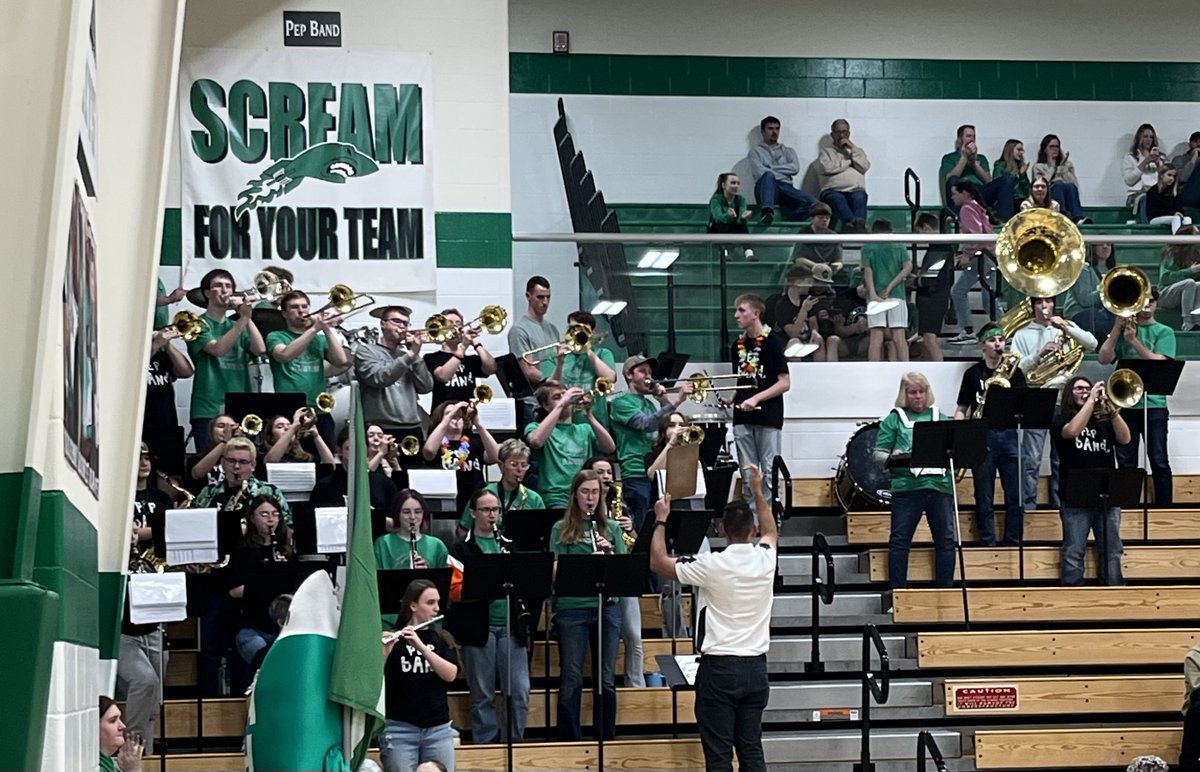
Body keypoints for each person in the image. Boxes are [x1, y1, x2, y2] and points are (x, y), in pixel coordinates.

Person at [649, 464, 777, 772]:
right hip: (756, 668)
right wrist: (758, 490)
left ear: (721, 529)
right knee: (751, 750)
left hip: (720, 668)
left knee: (719, 756)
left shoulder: (711, 564)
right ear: (752, 531)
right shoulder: (765, 557)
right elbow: (772, 531)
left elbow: (658, 561)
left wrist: (661, 519)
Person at [446, 488, 531, 744]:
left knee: (519, 691)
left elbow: (525, 584)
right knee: (482, 694)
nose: (491, 515)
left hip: (510, 626)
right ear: (473, 513)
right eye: (485, 510)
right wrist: (487, 583)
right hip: (478, 630)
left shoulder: (510, 546)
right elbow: (455, 591)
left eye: (495, 510)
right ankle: (487, 747)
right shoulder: (461, 549)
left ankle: (513, 743)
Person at [549, 470, 626, 741]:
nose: (590, 498)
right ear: (575, 495)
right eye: (585, 492)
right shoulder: (561, 528)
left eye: (595, 492)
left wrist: (609, 555)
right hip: (572, 609)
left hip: (606, 607)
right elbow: (553, 569)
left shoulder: (612, 528)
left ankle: (606, 737)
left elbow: (623, 571)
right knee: (572, 677)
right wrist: (583, 565)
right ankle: (569, 739)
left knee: (606, 679)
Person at [1011, 297, 1098, 511]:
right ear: (1032, 307)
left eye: (1048, 302)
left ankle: (1063, 504)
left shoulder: (1066, 328)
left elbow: (1092, 344)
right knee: (1031, 458)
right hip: (1037, 398)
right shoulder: (1022, 334)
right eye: (1039, 303)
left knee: (1063, 458)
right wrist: (1039, 354)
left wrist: (1066, 326)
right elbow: (1016, 368)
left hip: (1065, 399)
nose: (1044, 307)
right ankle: (1028, 506)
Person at [874, 372, 955, 588]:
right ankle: (898, 591)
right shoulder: (894, 419)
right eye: (912, 393)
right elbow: (878, 455)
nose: (918, 397)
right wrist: (896, 458)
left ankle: (946, 590)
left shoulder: (942, 418)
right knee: (900, 541)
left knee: (946, 541)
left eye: (921, 392)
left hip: (941, 487)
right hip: (907, 489)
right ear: (905, 394)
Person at [1098, 288, 1176, 505]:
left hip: (1154, 405)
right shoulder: (1125, 329)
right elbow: (1104, 358)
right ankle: (1127, 507)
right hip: (1125, 408)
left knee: (1159, 459)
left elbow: (1159, 363)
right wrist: (1116, 328)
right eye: (1143, 301)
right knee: (1125, 461)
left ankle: (1165, 510)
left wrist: (1134, 342)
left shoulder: (1164, 331)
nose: (1147, 305)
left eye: (1151, 301)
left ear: (1156, 304)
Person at [1052, 376, 1131, 585]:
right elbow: (1072, 432)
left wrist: (1113, 412)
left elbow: (1125, 439)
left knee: (1112, 550)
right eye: (1079, 389)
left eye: (1087, 388)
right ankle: (1072, 597)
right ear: (1069, 393)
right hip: (1075, 496)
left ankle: (1114, 593)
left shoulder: (1104, 420)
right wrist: (1090, 401)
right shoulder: (1061, 419)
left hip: (1107, 495)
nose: (1084, 392)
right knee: (1074, 550)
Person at [954, 325, 1027, 546]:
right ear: (982, 346)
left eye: (1001, 340)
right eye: (993, 340)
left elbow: (1024, 405)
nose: (998, 344)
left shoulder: (1016, 373)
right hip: (981, 436)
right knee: (983, 494)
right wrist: (960, 433)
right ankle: (988, 541)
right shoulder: (972, 374)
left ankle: (1013, 541)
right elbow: (961, 408)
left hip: (1009, 435)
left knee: (1015, 494)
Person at [118, 445, 170, 745]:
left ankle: (144, 754)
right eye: (138, 457)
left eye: (148, 456)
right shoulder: (118, 498)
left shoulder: (161, 499)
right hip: (125, 624)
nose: (144, 462)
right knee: (146, 681)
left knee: (155, 694)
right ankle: (133, 748)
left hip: (154, 617)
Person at [380, 579, 460, 772]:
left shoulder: (440, 638)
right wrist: (385, 652)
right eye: (430, 603)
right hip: (399, 729)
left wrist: (422, 647)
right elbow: (374, 679)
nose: (436, 608)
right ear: (413, 605)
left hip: (438, 729)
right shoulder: (392, 638)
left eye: (438, 602)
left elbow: (450, 675)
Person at [724, 294, 790, 520]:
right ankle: (752, 522)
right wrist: (733, 397)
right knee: (747, 471)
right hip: (742, 417)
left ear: (756, 313)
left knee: (770, 471)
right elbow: (745, 379)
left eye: (741, 310)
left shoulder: (772, 343)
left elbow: (784, 382)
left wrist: (757, 399)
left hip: (768, 417)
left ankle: (771, 521)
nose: (736, 315)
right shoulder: (738, 346)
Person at [608, 354, 693, 529]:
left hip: (656, 470)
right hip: (636, 471)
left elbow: (667, 425)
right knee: (640, 524)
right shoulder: (621, 402)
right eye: (642, 371)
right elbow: (645, 424)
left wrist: (663, 400)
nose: (649, 376)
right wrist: (677, 401)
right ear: (629, 375)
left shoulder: (649, 404)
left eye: (650, 372)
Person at [186, 269, 267, 451]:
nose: (225, 290)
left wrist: (246, 317)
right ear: (207, 293)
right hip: (208, 407)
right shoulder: (196, 324)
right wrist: (243, 319)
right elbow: (217, 349)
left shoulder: (237, 324)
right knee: (209, 464)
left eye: (228, 286)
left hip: (239, 406)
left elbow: (260, 349)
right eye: (218, 286)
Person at [583, 455, 644, 688]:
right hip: (596, 576)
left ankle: (636, 684)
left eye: (609, 472)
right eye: (600, 472)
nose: (606, 477)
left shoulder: (622, 504)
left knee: (634, 635)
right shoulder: (584, 509)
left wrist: (631, 529)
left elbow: (636, 543)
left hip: (622, 572)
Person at [266, 290, 348, 448]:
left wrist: (326, 329)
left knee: (326, 462)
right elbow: (284, 355)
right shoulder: (276, 336)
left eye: (304, 306)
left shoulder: (319, 339)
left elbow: (341, 361)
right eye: (294, 307)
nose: (301, 311)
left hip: (319, 410)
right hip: (289, 410)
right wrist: (313, 329)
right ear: (284, 313)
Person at [524, 380, 616, 507]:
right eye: (557, 397)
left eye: (565, 394)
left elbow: (610, 447)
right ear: (545, 405)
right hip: (556, 498)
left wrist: (589, 414)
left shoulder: (585, 429)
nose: (565, 399)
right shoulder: (535, 427)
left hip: (585, 496)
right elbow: (536, 441)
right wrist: (562, 404)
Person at [226, 495, 293, 668]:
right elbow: (234, 590)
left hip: (285, 627)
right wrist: (266, 584)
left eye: (275, 514)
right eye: (263, 514)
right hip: (254, 626)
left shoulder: (285, 547)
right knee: (269, 662)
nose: (271, 519)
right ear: (252, 518)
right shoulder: (243, 549)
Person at [354, 305, 434, 443]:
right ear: (382, 324)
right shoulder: (366, 351)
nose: (402, 326)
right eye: (396, 321)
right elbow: (379, 379)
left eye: (405, 323)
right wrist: (410, 355)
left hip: (412, 427)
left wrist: (416, 356)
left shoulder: (408, 355)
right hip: (379, 429)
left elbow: (426, 387)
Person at [311, 427, 398, 541]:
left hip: (375, 544)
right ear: (339, 450)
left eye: (359, 448)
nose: (355, 454)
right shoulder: (325, 486)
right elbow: (314, 524)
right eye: (349, 449)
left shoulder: (383, 483)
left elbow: (399, 525)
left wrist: (374, 517)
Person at [455, 438, 545, 538]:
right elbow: (462, 531)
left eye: (524, 465)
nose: (519, 470)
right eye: (513, 464)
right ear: (501, 466)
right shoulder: (483, 495)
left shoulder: (535, 499)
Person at [540, 310, 617, 426]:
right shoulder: (554, 354)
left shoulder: (603, 353)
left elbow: (610, 379)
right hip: (562, 423)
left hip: (595, 423)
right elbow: (549, 388)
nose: (575, 333)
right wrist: (560, 363)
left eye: (582, 330)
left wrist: (588, 350)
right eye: (571, 328)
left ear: (592, 332)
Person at [422, 400, 499, 513]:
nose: (456, 420)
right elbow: (428, 451)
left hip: (475, 505)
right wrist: (450, 415)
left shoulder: (475, 442)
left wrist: (478, 424)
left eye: (460, 416)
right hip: (447, 504)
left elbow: (496, 456)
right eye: (452, 416)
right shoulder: (436, 444)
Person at [948, 180, 997, 343]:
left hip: (982, 256)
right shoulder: (977, 208)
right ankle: (1004, 329)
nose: (952, 197)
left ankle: (968, 330)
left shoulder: (967, 209)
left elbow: (976, 235)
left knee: (958, 291)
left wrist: (967, 255)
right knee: (987, 297)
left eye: (955, 193)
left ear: (965, 194)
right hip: (987, 255)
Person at [508, 276, 560, 427]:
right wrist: (557, 382)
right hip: (532, 404)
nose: (545, 302)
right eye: (540, 297)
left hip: (551, 400)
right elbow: (528, 371)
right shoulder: (519, 329)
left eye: (548, 297)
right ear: (528, 296)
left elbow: (557, 362)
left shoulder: (552, 329)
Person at [423, 307, 498, 407]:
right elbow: (443, 376)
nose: (455, 327)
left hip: (467, 415)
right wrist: (463, 347)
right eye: (450, 323)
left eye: (458, 324)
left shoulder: (471, 360)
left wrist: (476, 343)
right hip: (442, 415)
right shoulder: (431, 358)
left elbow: (492, 368)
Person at [747, 115, 814, 224]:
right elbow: (760, 173)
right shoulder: (755, 152)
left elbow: (795, 168)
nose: (774, 132)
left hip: (786, 188)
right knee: (768, 176)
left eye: (777, 128)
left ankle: (789, 221)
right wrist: (782, 173)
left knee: (814, 204)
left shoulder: (788, 151)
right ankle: (767, 212)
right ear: (763, 132)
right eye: (770, 129)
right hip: (766, 189)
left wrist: (771, 167)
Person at [940, 124, 1015, 220]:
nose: (972, 139)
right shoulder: (949, 158)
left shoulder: (981, 158)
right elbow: (950, 178)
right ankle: (958, 220)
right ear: (959, 140)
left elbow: (988, 180)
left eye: (973, 136)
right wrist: (964, 157)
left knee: (1007, 180)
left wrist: (974, 162)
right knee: (953, 181)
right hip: (962, 192)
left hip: (980, 193)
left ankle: (1005, 220)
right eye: (968, 136)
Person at [861, 219, 912, 362]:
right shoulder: (899, 246)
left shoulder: (867, 247)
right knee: (899, 336)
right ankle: (906, 370)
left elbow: (868, 271)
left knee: (876, 336)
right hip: (896, 294)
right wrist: (890, 286)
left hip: (875, 295)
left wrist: (872, 293)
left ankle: (874, 372)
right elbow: (908, 267)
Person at [766, 265, 839, 362]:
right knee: (794, 343)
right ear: (798, 283)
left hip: (807, 339)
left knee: (818, 340)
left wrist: (814, 332)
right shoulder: (782, 304)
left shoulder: (807, 298)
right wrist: (803, 310)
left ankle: (822, 374)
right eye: (808, 282)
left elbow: (813, 322)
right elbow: (793, 334)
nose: (811, 285)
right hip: (787, 342)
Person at [143, 325, 193, 466]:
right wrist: (156, 344)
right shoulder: (135, 356)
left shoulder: (163, 357)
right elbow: (134, 371)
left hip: (167, 425)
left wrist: (168, 345)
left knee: (170, 473)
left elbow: (186, 372)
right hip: (143, 425)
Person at [913, 213, 955, 361]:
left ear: (925, 228)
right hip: (935, 297)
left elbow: (930, 277)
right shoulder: (942, 248)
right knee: (926, 339)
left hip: (933, 298)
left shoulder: (939, 249)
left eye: (919, 232)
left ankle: (940, 367)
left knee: (930, 338)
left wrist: (915, 281)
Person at [376, 489, 449, 571]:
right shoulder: (383, 543)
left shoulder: (437, 545)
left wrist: (427, 573)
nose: (412, 517)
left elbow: (444, 580)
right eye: (406, 512)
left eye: (418, 512)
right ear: (397, 514)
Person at [818, 118, 870, 227]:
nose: (841, 136)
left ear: (849, 133)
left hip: (855, 190)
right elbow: (828, 168)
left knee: (860, 197)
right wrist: (849, 162)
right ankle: (854, 226)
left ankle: (857, 227)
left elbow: (864, 167)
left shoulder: (858, 151)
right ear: (832, 134)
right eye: (838, 132)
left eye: (844, 132)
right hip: (832, 191)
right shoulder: (826, 152)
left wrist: (852, 149)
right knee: (838, 198)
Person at [1063, 243, 1117, 338]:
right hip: (1080, 313)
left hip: (1102, 312)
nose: (1105, 247)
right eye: (1101, 244)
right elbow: (1085, 300)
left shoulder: (1113, 271)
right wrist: (1107, 290)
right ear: (1093, 248)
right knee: (1106, 327)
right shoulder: (1083, 268)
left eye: (1109, 244)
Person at [1033, 134, 1085, 222]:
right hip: (1050, 196)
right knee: (1058, 184)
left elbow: (1073, 183)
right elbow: (1043, 183)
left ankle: (1077, 217)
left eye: (1057, 146)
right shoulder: (1038, 167)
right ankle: (1061, 214)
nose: (1055, 149)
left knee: (1069, 186)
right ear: (1045, 149)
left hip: (1066, 194)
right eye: (1051, 147)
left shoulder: (1067, 165)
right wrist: (1052, 166)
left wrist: (1062, 168)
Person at [1158, 220, 1200, 330]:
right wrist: (1190, 271)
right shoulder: (1171, 253)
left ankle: (1197, 321)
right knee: (1189, 283)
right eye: (1196, 234)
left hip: (1186, 295)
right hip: (1165, 295)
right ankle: (1187, 322)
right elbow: (1165, 279)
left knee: (1198, 284)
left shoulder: (1195, 253)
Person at [707, 172, 755, 261]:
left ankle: (749, 252)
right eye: (733, 183)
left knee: (743, 227)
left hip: (735, 227)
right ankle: (723, 252)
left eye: (738, 183)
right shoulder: (716, 200)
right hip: (718, 229)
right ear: (724, 185)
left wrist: (744, 217)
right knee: (720, 225)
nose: (736, 186)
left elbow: (742, 214)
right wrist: (728, 216)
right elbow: (718, 218)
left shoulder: (741, 200)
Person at [261, 409, 336, 466]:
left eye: (289, 425)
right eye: (280, 426)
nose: (287, 428)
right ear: (271, 437)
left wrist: (316, 436)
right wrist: (293, 427)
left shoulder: (305, 458)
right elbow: (270, 462)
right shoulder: (263, 456)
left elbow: (330, 466)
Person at [789, 202, 843, 278]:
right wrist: (818, 267)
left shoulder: (834, 236)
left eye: (827, 218)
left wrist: (835, 266)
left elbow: (839, 261)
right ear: (812, 219)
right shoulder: (803, 234)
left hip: (829, 273)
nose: (824, 220)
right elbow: (799, 259)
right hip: (808, 272)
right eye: (821, 217)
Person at [1122, 123, 1164, 217]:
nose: (1148, 140)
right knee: (1146, 198)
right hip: (1137, 194)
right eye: (1145, 136)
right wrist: (1145, 162)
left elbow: (1167, 178)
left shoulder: (1160, 157)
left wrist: (1159, 164)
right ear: (1139, 138)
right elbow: (1129, 181)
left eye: (1151, 137)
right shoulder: (1130, 157)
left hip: (1156, 193)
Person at [99, 696, 144, 772]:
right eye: (113, 720)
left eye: (120, 719)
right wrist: (133, 770)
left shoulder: (110, 762)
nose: (122, 726)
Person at [992, 139, 1032, 213]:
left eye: (1022, 150)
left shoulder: (1020, 166)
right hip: (1008, 201)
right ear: (1010, 150)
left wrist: (1023, 175)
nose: (1021, 153)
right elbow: (999, 186)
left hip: (1021, 200)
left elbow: (1027, 190)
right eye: (1019, 150)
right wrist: (1018, 175)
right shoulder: (1000, 166)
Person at [1172, 130, 1200, 210]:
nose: (1198, 144)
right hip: (1185, 195)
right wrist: (1193, 160)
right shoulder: (1178, 159)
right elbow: (1182, 178)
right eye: (1195, 141)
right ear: (1189, 144)